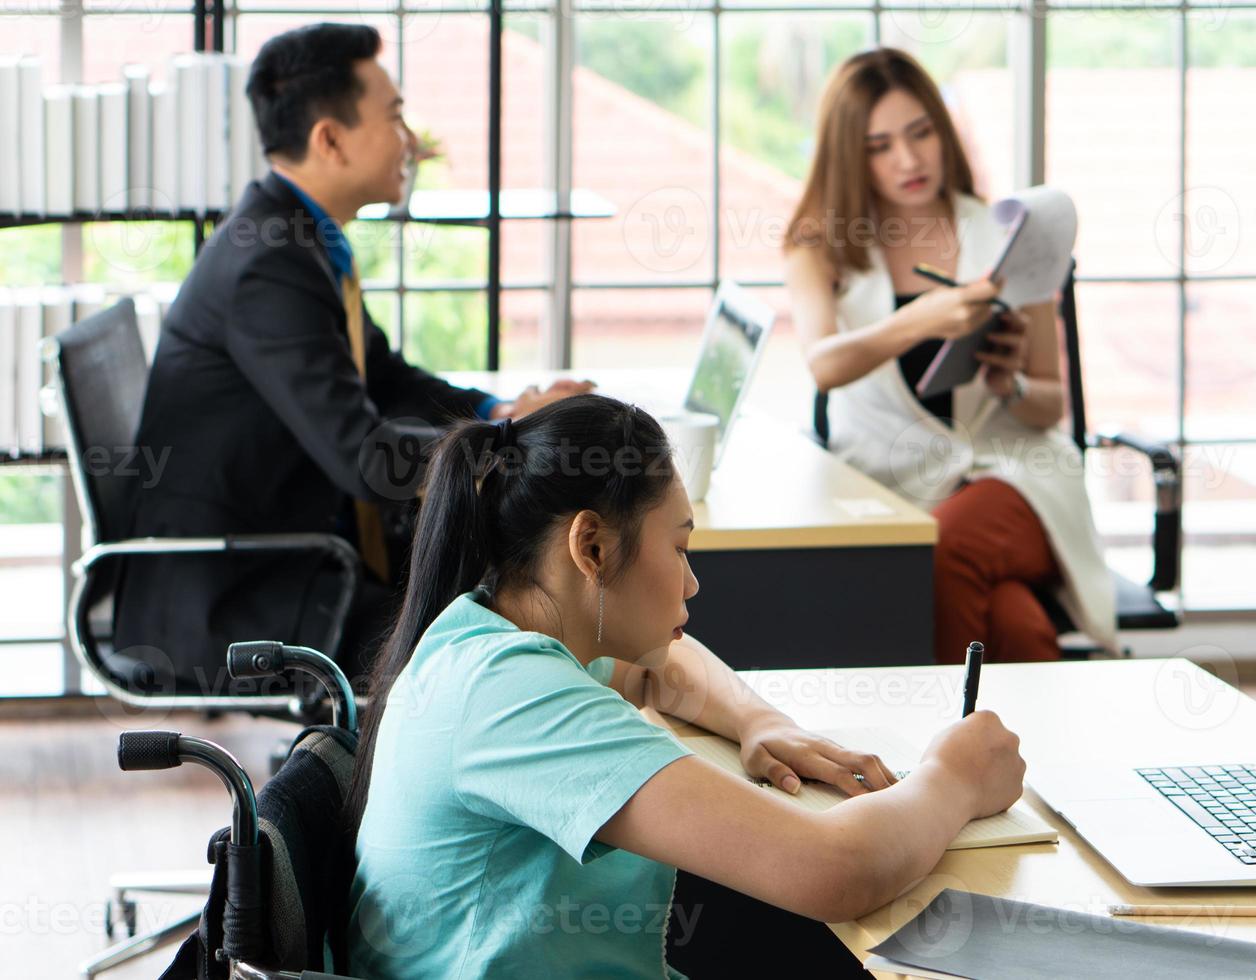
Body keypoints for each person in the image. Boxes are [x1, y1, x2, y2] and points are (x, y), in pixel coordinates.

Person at [345, 393, 1027, 978]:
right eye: (679, 547)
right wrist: (954, 775)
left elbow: (662, 667)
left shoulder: (499, 635)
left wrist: (760, 722)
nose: (693, 582)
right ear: (591, 548)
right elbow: (834, 868)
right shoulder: (513, 697)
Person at [114, 23, 589, 690]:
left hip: (299, 556)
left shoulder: (298, 241)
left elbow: (386, 378)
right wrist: (510, 445)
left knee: (507, 594)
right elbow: (365, 458)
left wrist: (501, 411)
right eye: (394, 118)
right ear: (328, 139)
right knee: (505, 632)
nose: (413, 144)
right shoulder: (268, 266)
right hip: (243, 595)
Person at [783, 47, 1116, 663]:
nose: (908, 160)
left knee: (947, 552)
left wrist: (1008, 384)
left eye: (921, 133)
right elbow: (824, 363)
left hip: (1016, 476)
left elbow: (1049, 408)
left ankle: (939, 753)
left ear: (944, 129)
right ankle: (1040, 754)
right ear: (848, 156)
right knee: (1011, 620)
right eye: (879, 145)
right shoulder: (821, 247)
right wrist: (922, 319)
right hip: (895, 486)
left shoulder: (1007, 238)